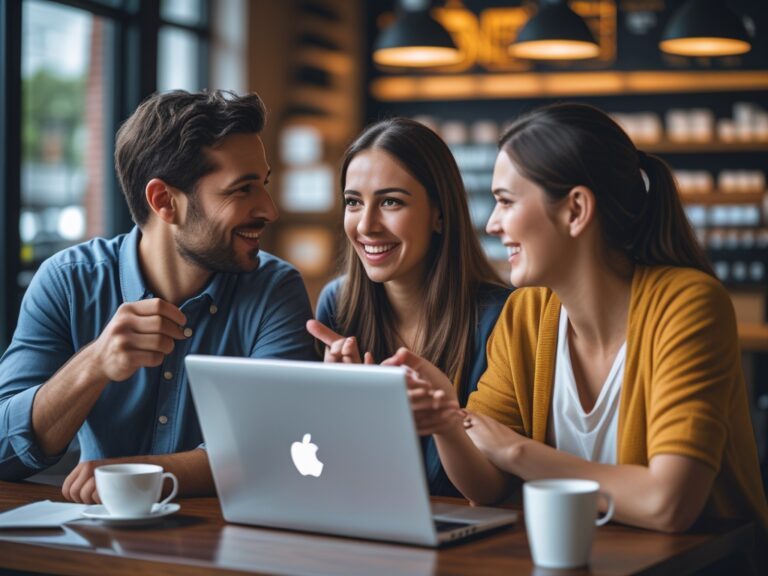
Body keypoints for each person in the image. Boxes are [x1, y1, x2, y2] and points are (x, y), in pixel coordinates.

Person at [385, 103, 768, 565]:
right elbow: (487, 486)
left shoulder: (687, 305)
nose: (492, 223)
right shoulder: (526, 314)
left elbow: (668, 504)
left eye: (506, 201)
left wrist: (518, 452)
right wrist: (447, 421)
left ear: (576, 210)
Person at [0, 90, 317, 503]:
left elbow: (277, 448)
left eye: (264, 184)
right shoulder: (66, 282)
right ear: (164, 201)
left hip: (224, 551)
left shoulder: (275, 291)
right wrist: (94, 364)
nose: (269, 210)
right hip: (92, 552)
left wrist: (137, 475)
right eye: (243, 190)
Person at [306, 117, 511, 496]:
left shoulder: (499, 318)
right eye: (353, 202)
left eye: (390, 202)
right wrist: (342, 411)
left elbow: (492, 491)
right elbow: (327, 473)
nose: (366, 225)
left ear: (439, 213)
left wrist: (446, 420)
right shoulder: (337, 306)